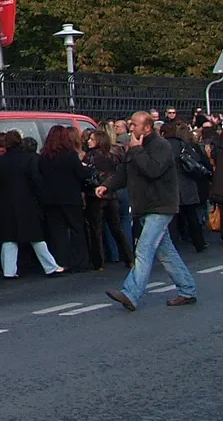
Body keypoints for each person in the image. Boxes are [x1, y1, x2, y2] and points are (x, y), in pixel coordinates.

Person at [102, 111, 197, 311]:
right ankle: (187, 289)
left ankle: (131, 293)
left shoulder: (161, 146)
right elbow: (124, 172)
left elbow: (153, 170)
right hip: (144, 206)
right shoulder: (135, 147)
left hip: (160, 206)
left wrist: (136, 151)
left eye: (134, 125)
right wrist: (107, 186)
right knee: (166, 253)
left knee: (144, 249)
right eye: (130, 124)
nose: (131, 128)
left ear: (147, 127)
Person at [0, 130, 63, 277]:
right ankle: (50, 266)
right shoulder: (28, 159)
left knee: (9, 238)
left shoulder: (0, 161)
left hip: (6, 203)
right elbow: (36, 180)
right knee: (36, 237)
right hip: (27, 202)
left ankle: (9, 271)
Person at [38, 124, 92, 272]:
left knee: (57, 232)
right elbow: (81, 173)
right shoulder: (70, 155)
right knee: (77, 229)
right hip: (70, 197)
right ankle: (80, 262)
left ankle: (61, 262)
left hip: (50, 199)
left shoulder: (43, 156)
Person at [84, 128, 130, 269]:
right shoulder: (113, 155)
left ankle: (98, 262)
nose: (88, 141)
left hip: (95, 195)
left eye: (91, 139)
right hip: (111, 195)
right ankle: (128, 258)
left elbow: (87, 175)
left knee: (95, 229)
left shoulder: (89, 156)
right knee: (116, 228)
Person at [162, 123, 208, 253]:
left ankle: (173, 245)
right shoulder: (183, 144)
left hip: (170, 185)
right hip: (187, 183)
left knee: (171, 219)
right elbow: (196, 159)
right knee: (192, 216)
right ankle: (199, 242)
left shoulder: (162, 146)